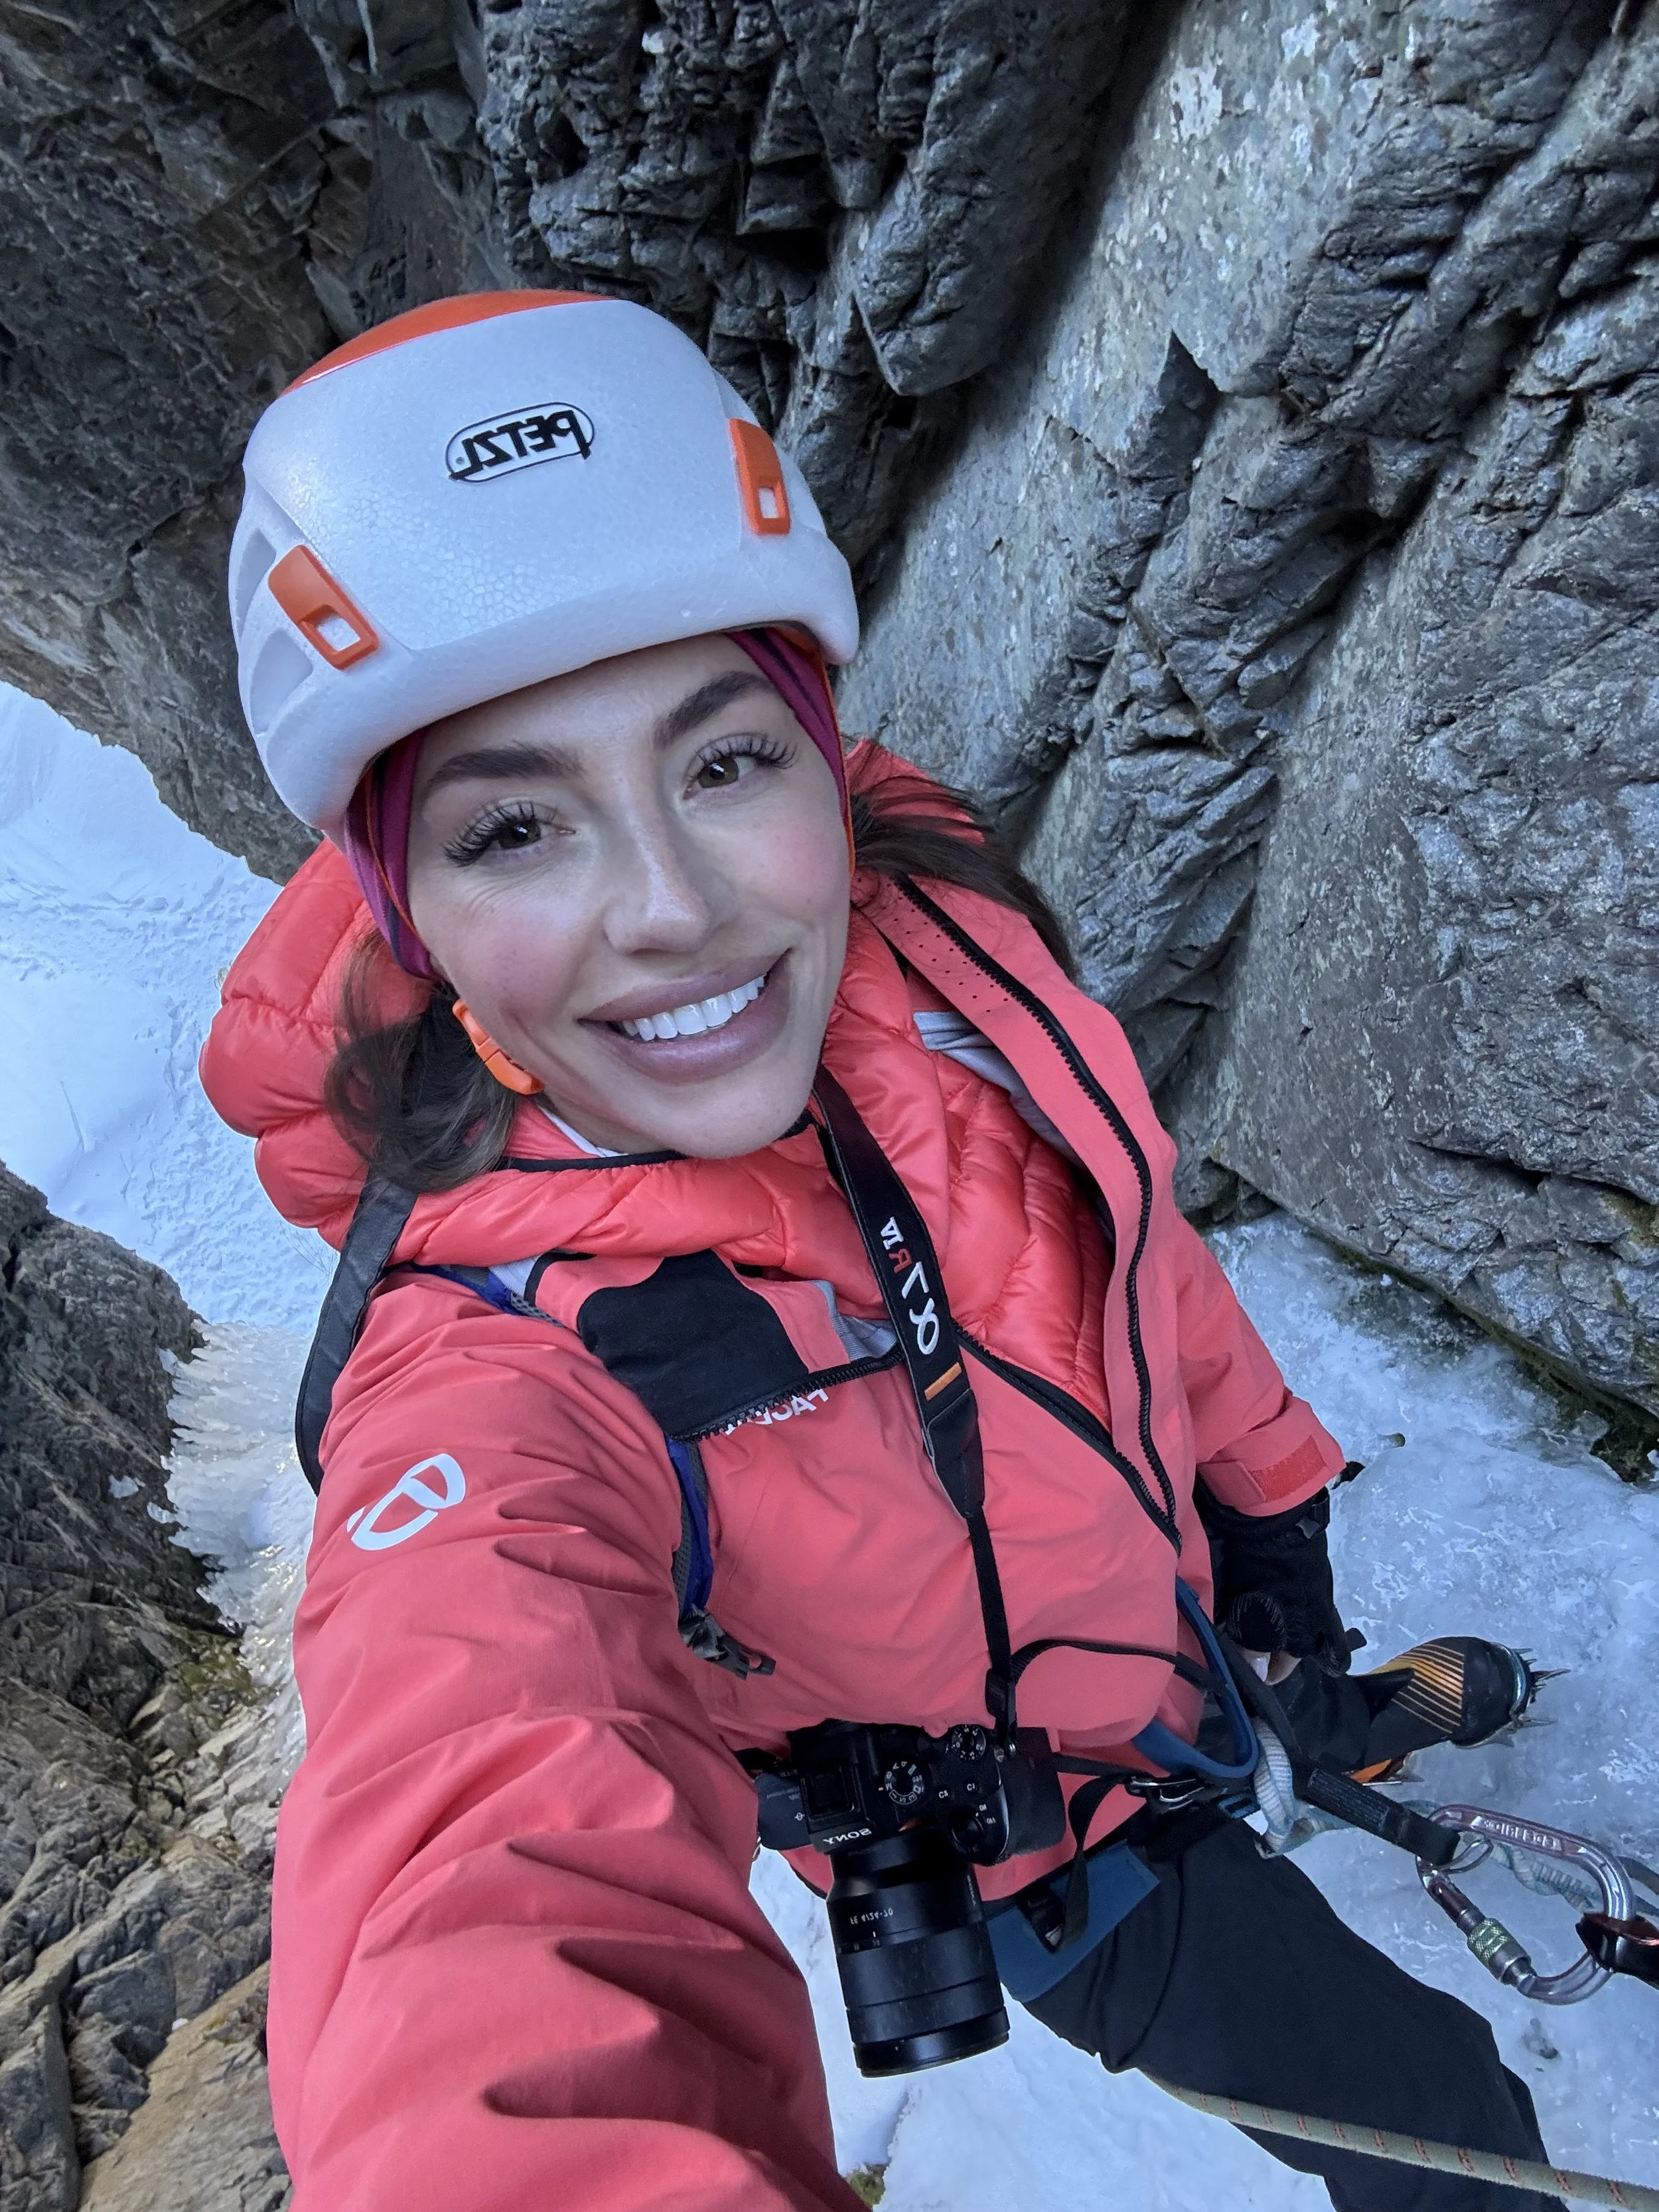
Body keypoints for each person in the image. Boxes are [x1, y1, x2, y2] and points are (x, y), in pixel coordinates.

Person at [202, 289, 1561, 2211]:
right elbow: (475, 1828)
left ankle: (1326, 1724)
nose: (672, 908)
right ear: (401, 906)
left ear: (820, 752)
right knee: (1456, 2130)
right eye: (511, 828)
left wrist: (1271, 1511)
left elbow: (1126, 1239)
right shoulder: (490, 1364)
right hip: (1048, 1856)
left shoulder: (935, 945)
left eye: (724, 762)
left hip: (1178, 1612)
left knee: (1275, 1708)